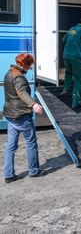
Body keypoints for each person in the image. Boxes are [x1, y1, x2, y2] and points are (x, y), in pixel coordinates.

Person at [3, 53, 44, 183]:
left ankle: (8, 175)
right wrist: (33, 104)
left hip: (10, 115)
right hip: (21, 115)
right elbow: (22, 93)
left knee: (11, 146)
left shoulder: (8, 73)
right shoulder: (19, 77)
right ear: (24, 64)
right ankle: (34, 171)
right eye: (29, 65)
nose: (30, 67)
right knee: (31, 143)